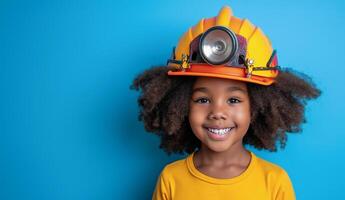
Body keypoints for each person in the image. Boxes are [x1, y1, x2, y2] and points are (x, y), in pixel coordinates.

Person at [130, 5, 321, 200]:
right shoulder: (171, 178)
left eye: (233, 100)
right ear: (180, 105)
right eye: (203, 99)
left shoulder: (274, 181)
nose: (217, 112)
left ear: (256, 107)